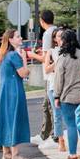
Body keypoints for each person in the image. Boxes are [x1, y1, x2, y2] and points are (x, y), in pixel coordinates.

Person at [0, 29, 33, 159]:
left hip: (3, 91)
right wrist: (24, 59)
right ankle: (15, 154)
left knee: (5, 119)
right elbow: (23, 73)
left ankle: (6, 152)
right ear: (10, 40)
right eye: (17, 36)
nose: (20, 38)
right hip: (14, 91)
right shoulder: (13, 56)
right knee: (15, 118)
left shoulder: (2, 55)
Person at [53, 29, 80, 159]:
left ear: (64, 41)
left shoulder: (63, 58)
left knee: (71, 125)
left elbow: (58, 80)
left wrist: (56, 96)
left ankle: (72, 156)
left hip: (68, 96)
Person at [31, 10, 58, 145]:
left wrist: (32, 55)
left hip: (50, 75)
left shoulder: (48, 34)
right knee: (49, 105)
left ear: (41, 21)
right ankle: (48, 134)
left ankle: (52, 136)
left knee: (49, 105)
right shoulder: (57, 30)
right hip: (56, 73)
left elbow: (46, 59)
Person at [44, 28, 67, 152]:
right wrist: (57, 62)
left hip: (67, 87)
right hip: (53, 86)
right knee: (57, 115)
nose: (62, 37)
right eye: (59, 36)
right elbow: (47, 69)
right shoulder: (51, 52)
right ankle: (61, 140)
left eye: (63, 35)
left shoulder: (70, 51)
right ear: (54, 39)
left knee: (71, 114)